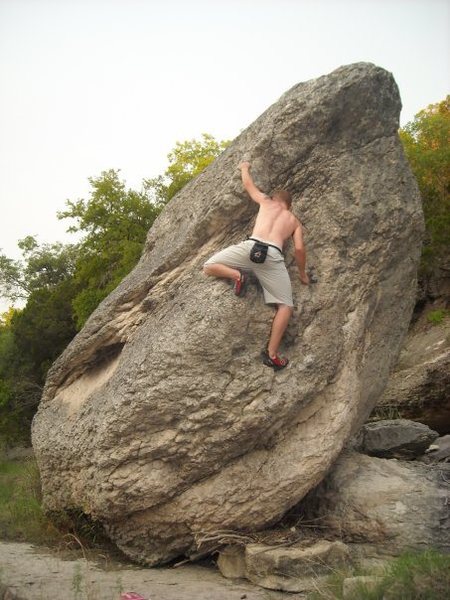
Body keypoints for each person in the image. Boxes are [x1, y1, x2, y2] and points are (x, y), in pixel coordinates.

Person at [203, 161, 309, 370]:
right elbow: (298, 250)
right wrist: (303, 275)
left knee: (209, 265)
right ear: (289, 205)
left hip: (250, 248)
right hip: (273, 256)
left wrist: (244, 168)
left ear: (275, 199)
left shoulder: (266, 202)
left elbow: (249, 186)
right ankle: (272, 354)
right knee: (285, 307)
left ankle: (236, 275)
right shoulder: (294, 221)